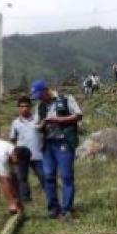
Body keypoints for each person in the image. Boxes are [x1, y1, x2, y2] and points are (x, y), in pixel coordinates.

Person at [31, 79, 82, 219]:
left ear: (46, 91)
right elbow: (36, 123)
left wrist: (58, 120)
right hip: (47, 144)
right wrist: (41, 125)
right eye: (37, 97)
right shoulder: (40, 106)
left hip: (63, 142)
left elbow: (78, 115)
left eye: (40, 95)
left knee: (66, 176)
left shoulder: (66, 99)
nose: (39, 98)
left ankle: (67, 209)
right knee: (48, 177)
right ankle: (53, 208)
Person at [10, 96, 45, 202]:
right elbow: (13, 138)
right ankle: (25, 199)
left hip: (37, 154)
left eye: (27, 106)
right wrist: (14, 152)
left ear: (30, 107)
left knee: (44, 176)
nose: (24, 108)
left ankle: (50, 195)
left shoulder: (37, 119)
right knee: (22, 177)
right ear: (19, 108)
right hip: (22, 155)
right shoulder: (15, 123)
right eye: (22, 106)